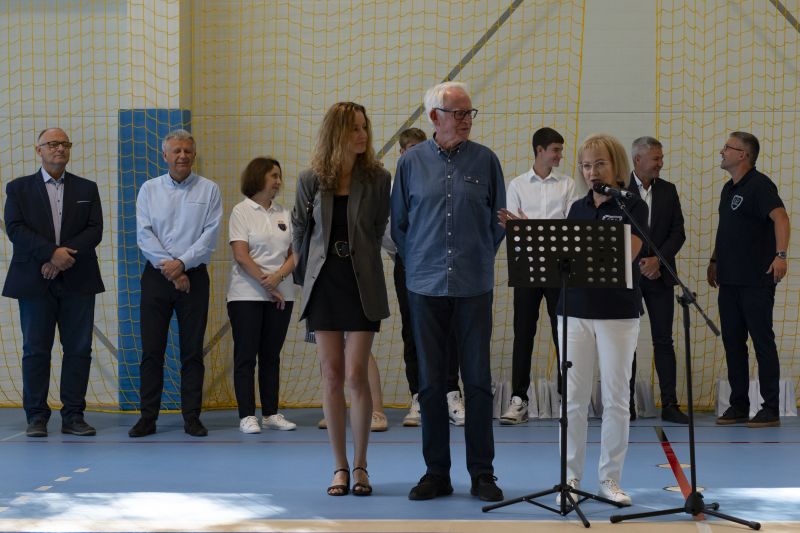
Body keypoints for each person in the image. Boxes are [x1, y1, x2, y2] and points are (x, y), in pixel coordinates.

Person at [392, 81, 505, 502]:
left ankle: (482, 473)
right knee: (431, 383)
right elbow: (400, 225)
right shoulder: (410, 164)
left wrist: (477, 257)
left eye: (469, 112)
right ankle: (436, 472)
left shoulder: (486, 160)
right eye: (458, 113)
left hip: (474, 286)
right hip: (425, 287)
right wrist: (423, 263)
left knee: (477, 381)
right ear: (434, 117)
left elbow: (498, 222)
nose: (465, 120)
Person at [292, 102, 391, 496]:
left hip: (361, 283)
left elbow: (378, 227)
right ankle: (339, 467)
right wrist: (305, 276)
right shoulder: (311, 179)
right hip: (324, 283)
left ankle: (362, 465)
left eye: (364, 127)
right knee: (331, 374)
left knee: (355, 374)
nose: (362, 135)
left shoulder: (378, 178)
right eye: (354, 128)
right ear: (336, 133)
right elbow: (300, 229)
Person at [557, 133, 647, 506]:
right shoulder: (576, 208)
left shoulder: (633, 206)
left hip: (618, 311)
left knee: (616, 398)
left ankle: (609, 479)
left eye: (599, 164)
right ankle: (569, 479)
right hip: (574, 309)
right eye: (586, 165)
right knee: (573, 399)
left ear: (616, 165)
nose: (592, 172)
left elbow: (628, 254)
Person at [3, 128, 104, 437]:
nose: (59, 149)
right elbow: (15, 228)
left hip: (79, 279)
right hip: (34, 280)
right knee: (35, 350)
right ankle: (36, 417)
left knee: (79, 349)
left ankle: (74, 416)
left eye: (64, 144)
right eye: (52, 144)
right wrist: (50, 254)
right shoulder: (18, 188)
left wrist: (62, 257)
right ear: (39, 150)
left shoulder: (87, 188)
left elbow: (94, 230)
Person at [129, 129, 222, 438]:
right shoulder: (148, 189)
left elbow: (209, 236)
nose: (182, 156)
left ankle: (192, 417)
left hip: (194, 278)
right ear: (165, 155)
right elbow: (144, 234)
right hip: (156, 277)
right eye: (176, 151)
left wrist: (182, 264)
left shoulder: (209, 190)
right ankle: (147, 417)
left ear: (194, 155)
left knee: (192, 352)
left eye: (187, 151)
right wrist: (172, 269)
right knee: (151, 351)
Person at [708, 131, 790, 428]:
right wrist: (715, 260)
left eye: (727, 148)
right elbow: (727, 229)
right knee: (733, 343)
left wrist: (780, 255)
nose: (722, 151)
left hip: (756, 279)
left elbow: (781, 218)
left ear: (743, 155)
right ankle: (739, 405)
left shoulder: (760, 185)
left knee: (762, 342)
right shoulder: (728, 188)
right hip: (729, 280)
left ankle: (770, 408)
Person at [497, 127, 577, 424]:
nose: (559, 155)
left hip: (559, 269)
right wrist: (534, 231)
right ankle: (519, 399)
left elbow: (570, 229)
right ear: (539, 150)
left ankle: (567, 398)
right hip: (527, 267)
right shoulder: (517, 185)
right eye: (555, 150)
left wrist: (530, 229)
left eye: (560, 150)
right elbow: (513, 232)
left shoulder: (568, 185)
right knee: (523, 333)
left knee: (562, 333)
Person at [393, 127, 464, 428]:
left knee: (449, 329)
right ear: (401, 152)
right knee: (413, 330)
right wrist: (411, 254)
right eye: (410, 149)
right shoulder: (396, 181)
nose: (416, 155)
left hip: (444, 264)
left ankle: (451, 393)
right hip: (409, 263)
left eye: (420, 149)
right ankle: (419, 396)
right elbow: (390, 228)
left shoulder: (441, 176)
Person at [227, 157, 297, 433]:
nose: (278, 181)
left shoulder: (285, 214)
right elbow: (241, 255)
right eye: (273, 176)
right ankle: (247, 415)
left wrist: (278, 278)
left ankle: (270, 412)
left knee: (271, 355)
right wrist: (268, 285)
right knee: (246, 356)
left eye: (279, 176)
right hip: (246, 295)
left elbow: (295, 254)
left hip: (282, 294)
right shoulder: (241, 211)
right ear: (258, 178)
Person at [625, 137, 687, 424]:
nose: (661, 163)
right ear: (638, 160)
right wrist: (640, 263)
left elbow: (678, 232)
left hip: (660, 276)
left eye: (661, 158)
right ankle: (626, 404)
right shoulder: (620, 191)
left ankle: (670, 404)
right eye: (656, 159)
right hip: (630, 277)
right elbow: (617, 233)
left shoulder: (668, 190)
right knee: (627, 341)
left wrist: (657, 261)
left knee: (664, 340)